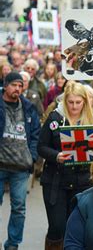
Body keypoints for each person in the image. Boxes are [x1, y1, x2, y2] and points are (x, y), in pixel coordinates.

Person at [39, 81, 93, 249]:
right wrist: (56, 156)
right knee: (57, 227)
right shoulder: (55, 118)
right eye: (71, 102)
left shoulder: (92, 119)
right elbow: (41, 147)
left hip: (82, 181)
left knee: (76, 227)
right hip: (56, 180)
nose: (74, 106)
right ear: (65, 100)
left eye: (78, 102)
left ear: (84, 102)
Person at [0, 71, 41, 250]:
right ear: (5, 85)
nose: (17, 88)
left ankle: (13, 244)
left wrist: (31, 158)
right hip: (0, 165)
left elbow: (35, 135)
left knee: (19, 208)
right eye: (14, 85)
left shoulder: (28, 107)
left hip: (21, 167)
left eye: (20, 85)